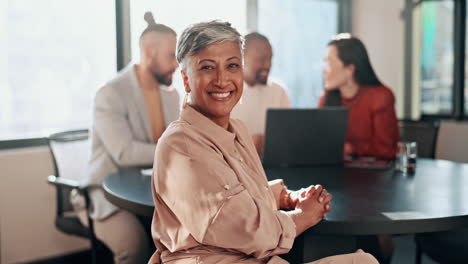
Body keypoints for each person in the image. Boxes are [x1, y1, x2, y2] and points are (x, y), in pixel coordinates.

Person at [148, 20, 378, 264]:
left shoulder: (237, 130)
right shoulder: (180, 145)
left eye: (232, 66)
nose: (222, 79)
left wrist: (286, 197)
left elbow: (240, 201)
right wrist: (304, 216)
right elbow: (245, 229)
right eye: (207, 67)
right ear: (185, 80)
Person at [74, 12, 180, 264]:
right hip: (105, 193)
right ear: (149, 52)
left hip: (151, 190)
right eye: (171, 56)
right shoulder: (110, 93)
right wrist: (174, 149)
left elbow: (179, 141)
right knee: (134, 245)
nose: (177, 64)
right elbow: (124, 153)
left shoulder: (172, 95)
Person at [318, 33, 399, 160]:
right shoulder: (326, 98)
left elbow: (386, 149)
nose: (324, 69)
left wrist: (351, 148)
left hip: (374, 177)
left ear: (350, 69)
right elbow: (319, 144)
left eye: (329, 62)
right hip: (335, 174)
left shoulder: (381, 97)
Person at [231, 32, 291, 157]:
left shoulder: (279, 91)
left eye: (270, 58)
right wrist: (248, 144)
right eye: (261, 59)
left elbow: (288, 138)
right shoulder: (225, 92)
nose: (268, 65)